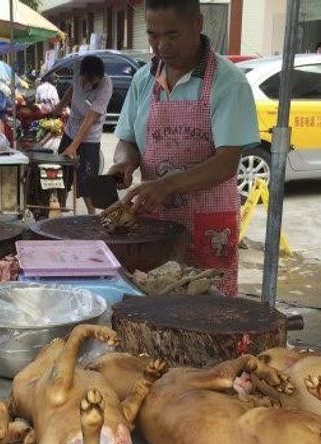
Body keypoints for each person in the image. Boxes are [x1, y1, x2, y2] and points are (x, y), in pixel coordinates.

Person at [108, 0, 259, 296]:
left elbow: (227, 162)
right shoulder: (143, 80)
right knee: (152, 304)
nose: (161, 45)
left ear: (197, 24)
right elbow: (127, 140)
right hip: (152, 222)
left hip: (209, 225)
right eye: (153, 35)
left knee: (206, 312)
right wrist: (124, 163)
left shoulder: (228, 83)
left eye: (172, 35)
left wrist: (167, 185)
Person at [53, 55, 112, 214]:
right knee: (61, 171)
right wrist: (60, 106)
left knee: (87, 179)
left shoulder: (105, 85)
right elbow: (72, 89)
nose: (90, 85)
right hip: (71, 130)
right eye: (88, 80)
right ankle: (60, 205)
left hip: (90, 137)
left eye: (94, 82)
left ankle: (92, 215)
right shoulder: (79, 67)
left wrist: (74, 146)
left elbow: (90, 118)